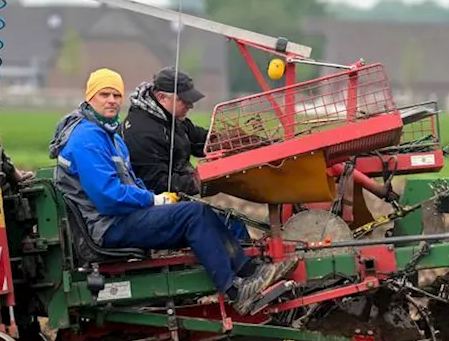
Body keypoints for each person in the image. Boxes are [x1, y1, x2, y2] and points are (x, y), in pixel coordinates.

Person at [53, 68, 295, 315]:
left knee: (207, 213)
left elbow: (132, 181)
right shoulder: (87, 139)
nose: (112, 100)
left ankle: (251, 273)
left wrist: (157, 200)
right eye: (105, 94)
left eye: (116, 95)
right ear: (89, 96)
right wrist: (153, 200)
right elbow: (108, 198)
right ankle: (234, 291)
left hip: (121, 217)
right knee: (193, 215)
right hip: (108, 226)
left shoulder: (110, 136)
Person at [122, 67, 252, 242]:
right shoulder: (141, 133)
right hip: (155, 209)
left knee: (233, 222)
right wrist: (201, 180)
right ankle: (241, 268)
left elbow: (203, 141)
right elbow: (157, 183)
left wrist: (243, 143)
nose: (191, 105)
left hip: (178, 203)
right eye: (184, 100)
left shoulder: (173, 119)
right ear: (161, 97)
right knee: (230, 227)